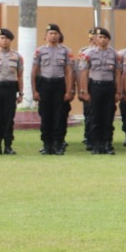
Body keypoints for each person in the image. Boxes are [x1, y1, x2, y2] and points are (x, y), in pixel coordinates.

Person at [32, 23, 73, 155]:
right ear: (45, 36)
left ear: (59, 35)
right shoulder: (39, 51)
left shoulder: (65, 51)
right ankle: (47, 144)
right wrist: (34, 90)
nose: (53, 35)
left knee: (59, 116)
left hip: (59, 85)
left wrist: (69, 90)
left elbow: (68, 72)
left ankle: (58, 144)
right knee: (45, 116)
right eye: (50, 33)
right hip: (45, 85)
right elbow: (34, 71)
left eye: (55, 33)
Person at [79, 27, 120, 155]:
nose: (103, 40)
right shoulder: (88, 54)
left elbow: (118, 74)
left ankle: (107, 144)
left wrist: (119, 91)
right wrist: (84, 91)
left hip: (109, 87)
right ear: (96, 39)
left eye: (105, 38)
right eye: (100, 37)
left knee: (108, 117)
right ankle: (96, 144)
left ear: (109, 39)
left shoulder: (114, 54)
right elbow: (84, 73)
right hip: (95, 87)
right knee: (95, 116)